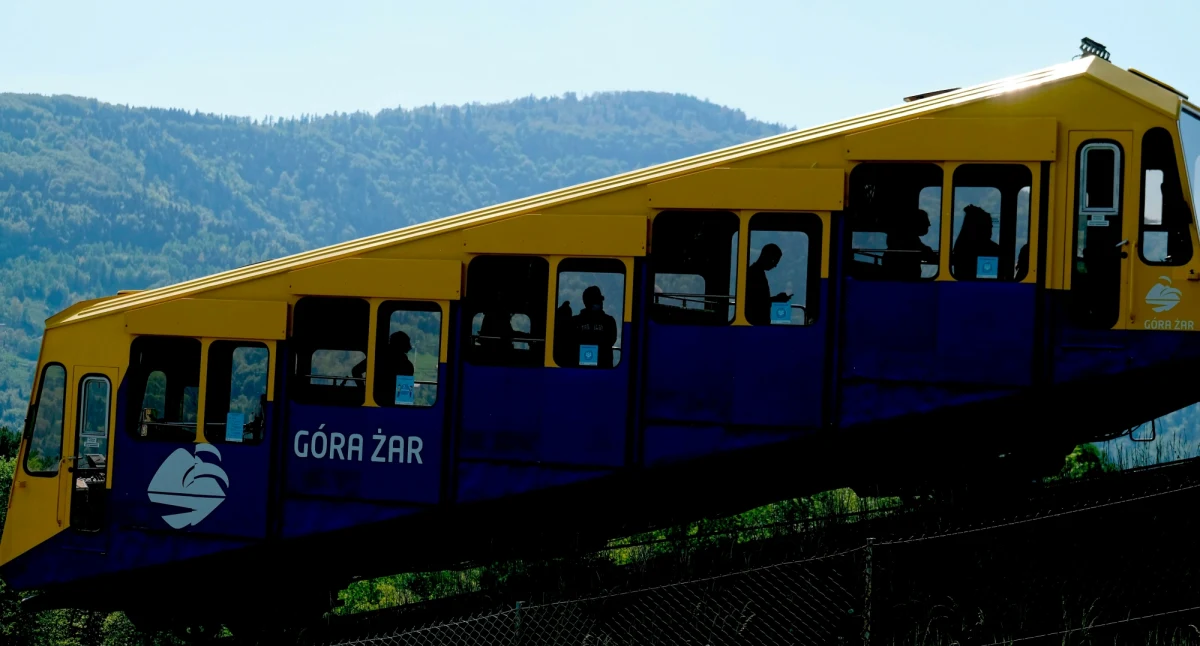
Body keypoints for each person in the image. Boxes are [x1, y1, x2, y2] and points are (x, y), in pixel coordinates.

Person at [570, 286, 618, 367]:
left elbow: (611, 340)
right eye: (597, 300)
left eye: (600, 300)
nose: (601, 303)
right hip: (586, 368)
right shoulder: (575, 321)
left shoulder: (609, 321)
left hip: (602, 368)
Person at [952, 205, 1003, 279]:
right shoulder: (990, 249)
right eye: (988, 226)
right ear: (980, 228)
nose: (991, 230)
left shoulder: (960, 245)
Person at [745, 243, 791, 325]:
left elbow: (759, 300)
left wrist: (775, 299)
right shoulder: (755, 274)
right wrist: (776, 299)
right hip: (756, 321)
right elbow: (756, 302)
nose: (775, 265)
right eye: (774, 261)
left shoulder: (755, 272)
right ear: (766, 257)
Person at [885, 209, 937, 280]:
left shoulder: (907, 236)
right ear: (917, 223)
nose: (928, 224)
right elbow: (925, 253)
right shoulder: (907, 238)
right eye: (925, 222)